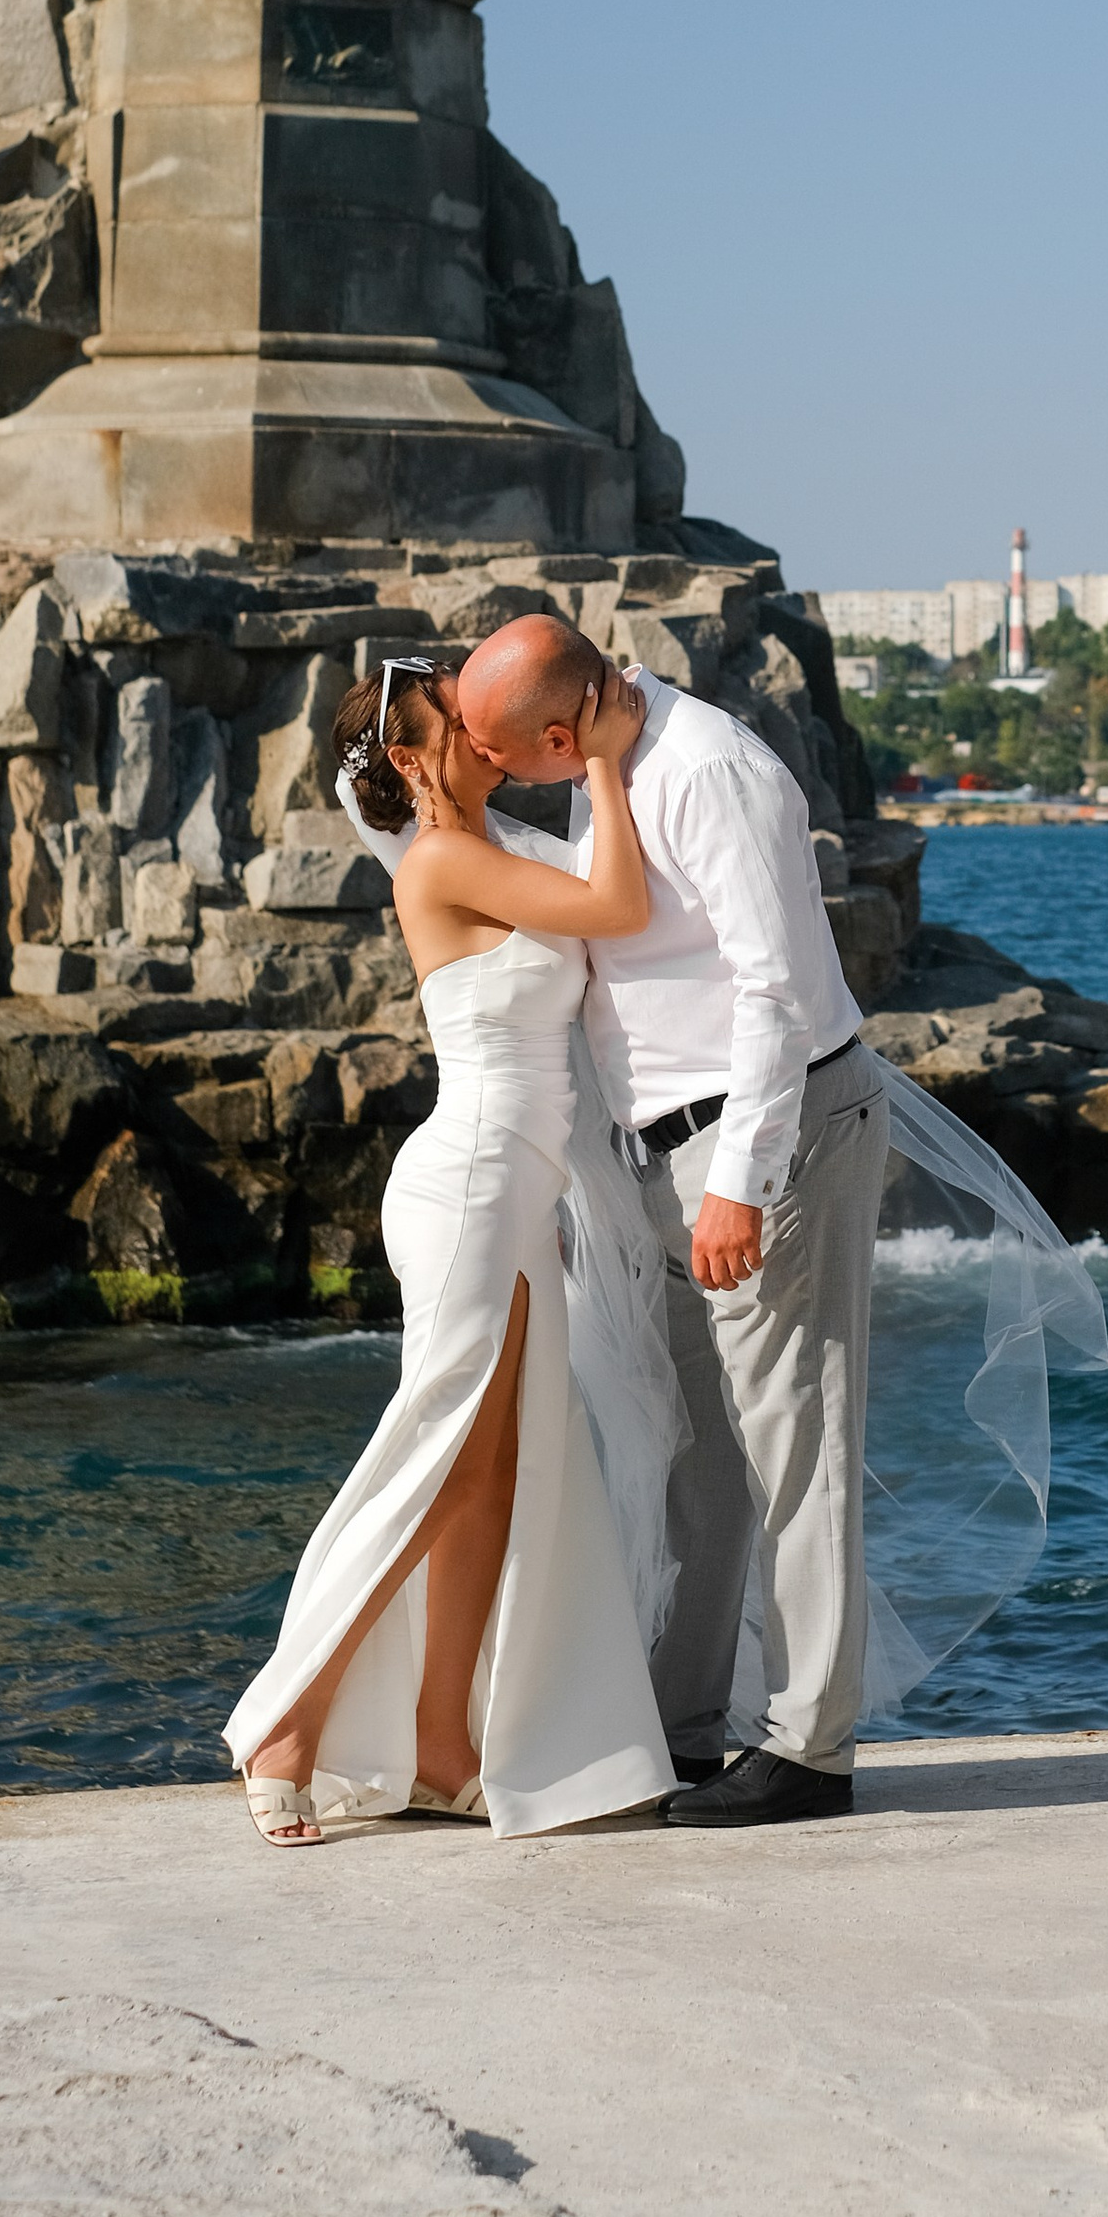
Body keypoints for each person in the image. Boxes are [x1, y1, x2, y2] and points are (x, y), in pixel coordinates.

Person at [223, 652, 678, 1848]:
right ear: (414, 759)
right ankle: (288, 1724)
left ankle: (442, 1750)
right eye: (452, 730)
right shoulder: (443, 856)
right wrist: (609, 768)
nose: (484, 741)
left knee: (489, 1475)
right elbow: (619, 908)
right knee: (431, 1456)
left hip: (518, 1192)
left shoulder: (504, 848)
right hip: (470, 1181)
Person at [454, 612, 889, 1830]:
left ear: (556, 729)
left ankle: (809, 1748)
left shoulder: (705, 770)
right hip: (676, 1147)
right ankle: (687, 1726)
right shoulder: (612, 764)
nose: (501, 779)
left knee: (795, 1440)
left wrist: (739, 1182)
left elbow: (777, 988)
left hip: (768, 1134)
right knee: (702, 1451)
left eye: (504, 758)